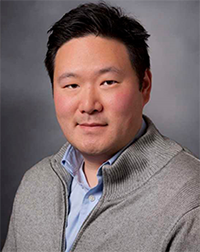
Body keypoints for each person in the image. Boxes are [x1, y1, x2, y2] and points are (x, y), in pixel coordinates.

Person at [3, 2, 200, 252]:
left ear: (145, 86)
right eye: (71, 85)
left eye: (108, 82)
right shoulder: (36, 184)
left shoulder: (190, 200)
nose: (88, 105)